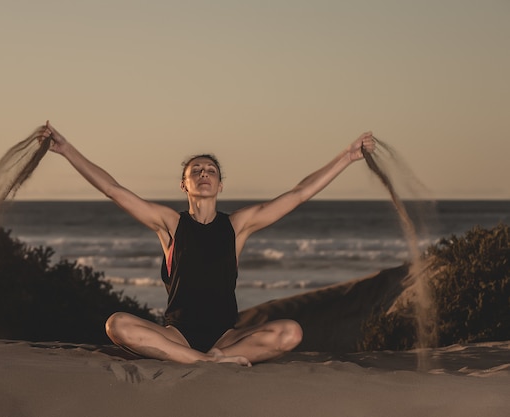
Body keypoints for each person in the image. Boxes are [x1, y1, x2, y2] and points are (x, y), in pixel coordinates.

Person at [41, 122, 375, 366]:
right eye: (196, 170)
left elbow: (298, 194)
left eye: (210, 170)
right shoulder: (170, 224)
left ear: (220, 185)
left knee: (291, 332)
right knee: (116, 325)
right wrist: (67, 149)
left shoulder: (237, 226)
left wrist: (347, 157)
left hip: (226, 337)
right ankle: (205, 361)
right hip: (177, 334)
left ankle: (207, 358)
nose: (203, 173)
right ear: (184, 184)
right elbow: (114, 190)